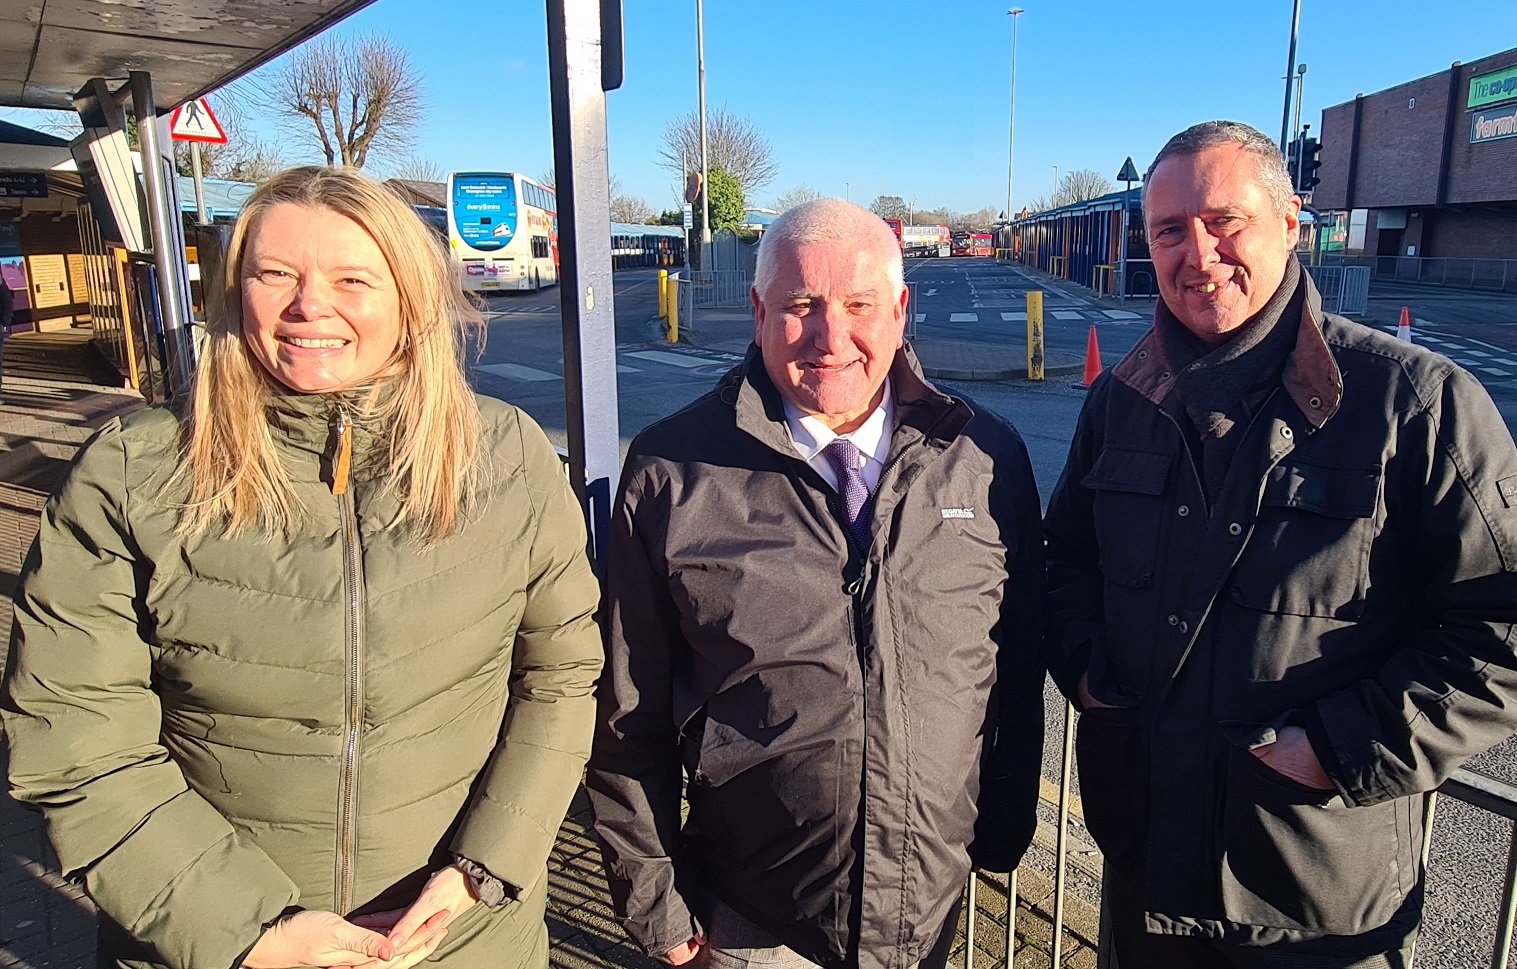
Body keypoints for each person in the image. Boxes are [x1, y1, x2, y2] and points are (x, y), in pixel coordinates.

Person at [2, 166, 604, 969]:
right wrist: (247, 930)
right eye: (275, 274)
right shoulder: (133, 472)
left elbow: (560, 675)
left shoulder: (506, 455)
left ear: (410, 300)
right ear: (233, 291)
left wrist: (482, 871)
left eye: (353, 278)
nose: (308, 305)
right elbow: (77, 739)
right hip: (211, 945)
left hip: (462, 940)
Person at [1043, 119, 1517, 967]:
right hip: (1144, 882)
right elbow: (1063, 568)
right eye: (1168, 230)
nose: (1198, 254)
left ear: (1290, 221)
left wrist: (1340, 749)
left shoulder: (1416, 403)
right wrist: (1087, 673)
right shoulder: (1118, 401)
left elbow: (1502, 626)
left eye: (1225, 220)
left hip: (1316, 905)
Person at [587, 198, 1046, 969]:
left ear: (900, 310)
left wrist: (1000, 828)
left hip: (927, 908)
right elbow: (624, 709)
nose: (831, 338)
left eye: (859, 304)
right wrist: (656, 906)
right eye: (801, 306)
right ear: (758, 310)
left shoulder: (984, 455)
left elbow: (1016, 661)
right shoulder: (672, 472)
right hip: (745, 920)